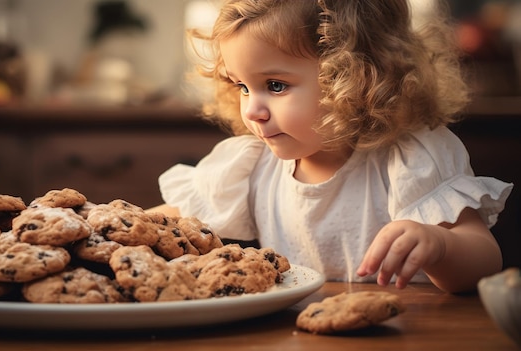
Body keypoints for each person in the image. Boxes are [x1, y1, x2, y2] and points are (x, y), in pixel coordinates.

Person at [148, 0, 513, 293]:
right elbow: (166, 224)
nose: (252, 111)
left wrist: (440, 244)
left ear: (357, 77)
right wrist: (100, 221)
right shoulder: (252, 164)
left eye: (275, 85)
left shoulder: (410, 159)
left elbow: (484, 261)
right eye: (242, 86)